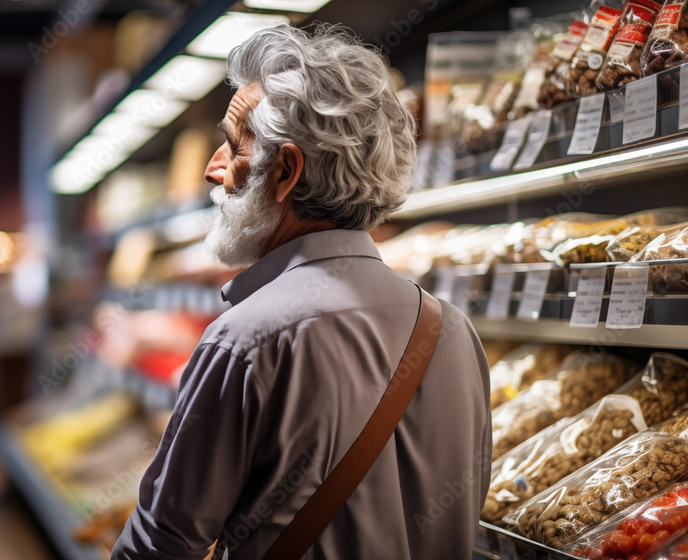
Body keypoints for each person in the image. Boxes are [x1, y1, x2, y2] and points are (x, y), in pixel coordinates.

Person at [111, 25, 491, 560]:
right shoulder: (454, 331)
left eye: (231, 144)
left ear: (286, 171)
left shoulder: (245, 340)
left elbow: (160, 547)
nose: (212, 167)